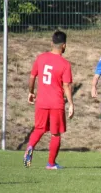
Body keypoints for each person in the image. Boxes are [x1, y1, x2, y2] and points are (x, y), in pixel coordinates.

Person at [23, 31, 74, 170]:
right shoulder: (65, 64)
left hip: (41, 102)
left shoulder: (40, 58)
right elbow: (66, 85)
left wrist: (31, 92)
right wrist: (70, 104)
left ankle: (30, 147)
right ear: (64, 45)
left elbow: (33, 76)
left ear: (52, 43)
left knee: (39, 129)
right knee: (55, 133)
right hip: (56, 103)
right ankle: (51, 163)